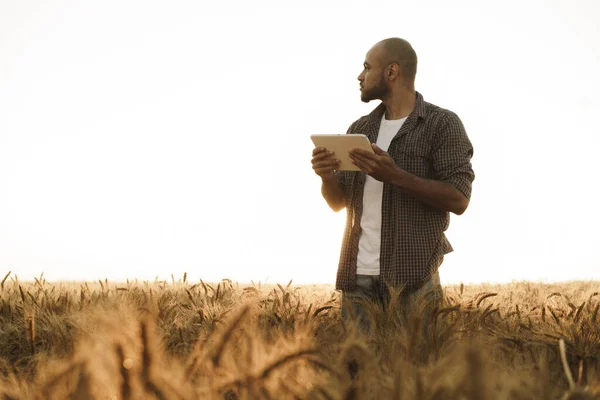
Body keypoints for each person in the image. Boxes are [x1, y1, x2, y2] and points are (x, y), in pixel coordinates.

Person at [310, 38, 475, 332]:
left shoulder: (441, 124)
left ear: (392, 72)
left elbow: (459, 199)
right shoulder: (360, 129)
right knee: (359, 375)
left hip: (413, 279)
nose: (360, 76)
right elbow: (338, 203)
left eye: (366, 67)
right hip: (357, 279)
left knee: (418, 373)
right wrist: (326, 176)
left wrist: (396, 176)